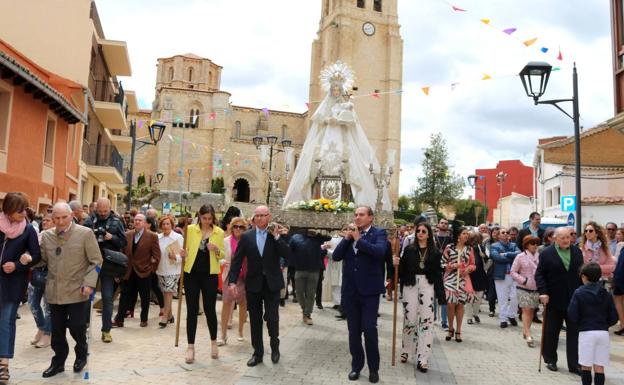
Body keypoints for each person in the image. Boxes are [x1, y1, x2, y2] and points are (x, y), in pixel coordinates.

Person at [282, 61, 390, 211]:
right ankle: (316, 197)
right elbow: (318, 120)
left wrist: (341, 119)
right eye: (334, 88)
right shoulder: (325, 106)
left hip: (342, 137)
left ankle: (350, 200)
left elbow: (353, 122)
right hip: (327, 136)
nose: (336, 91)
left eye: (339, 89)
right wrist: (328, 120)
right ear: (331, 89)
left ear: (342, 90)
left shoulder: (346, 105)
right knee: (319, 161)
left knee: (349, 165)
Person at [39, 202, 102, 378]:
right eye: (56, 218)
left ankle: (81, 353)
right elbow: (43, 260)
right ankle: (58, 362)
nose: (60, 222)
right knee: (57, 331)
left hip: (78, 290)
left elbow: (96, 260)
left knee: (76, 327)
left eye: (64, 217)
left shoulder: (85, 233)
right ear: (52, 219)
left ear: (71, 216)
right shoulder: (47, 236)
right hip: (55, 291)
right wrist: (28, 257)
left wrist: (89, 283)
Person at [228, 205, 290, 367]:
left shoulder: (276, 235)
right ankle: (258, 353)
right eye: (257, 216)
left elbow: (287, 254)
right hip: (253, 284)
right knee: (255, 320)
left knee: (272, 317)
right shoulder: (247, 237)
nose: (260, 218)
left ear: (269, 217)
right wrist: (233, 281)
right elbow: (237, 260)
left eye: (263, 215)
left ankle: (275, 347)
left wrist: (277, 237)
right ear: (254, 218)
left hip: (272, 284)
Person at [331, 206, 387, 383]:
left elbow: (379, 252)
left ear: (370, 218)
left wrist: (358, 239)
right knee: (353, 331)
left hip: (370, 292)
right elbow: (337, 256)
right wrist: (348, 239)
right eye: (355, 215)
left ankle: (374, 369)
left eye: (361, 215)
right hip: (350, 291)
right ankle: (356, 366)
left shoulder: (379, 233)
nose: (357, 218)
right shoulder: (350, 235)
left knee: (369, 329)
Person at [0, 192, 41, 382]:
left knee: (6, 322)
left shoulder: (28, 230)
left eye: (25, 209)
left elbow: (36, 255)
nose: (24, 214)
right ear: (8, 211)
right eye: (19, 210)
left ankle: (4, 365)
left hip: (13, 283)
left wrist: (18, 264)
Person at [394, 222, 444, 373]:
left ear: (429, 234)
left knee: (426, 321)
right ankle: (406, 350)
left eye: (424, 231)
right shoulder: (409, 250)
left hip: (427, 285)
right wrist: (395, 264)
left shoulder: (435, 252)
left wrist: (441, 296)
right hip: (410, 285)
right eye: (418, 231)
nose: (420, 233)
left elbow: (437, 274)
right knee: (409, 319)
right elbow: (401, 270)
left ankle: (423, 358)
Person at [536, 226, 583, 374]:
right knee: (551, 331)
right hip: (553, 298)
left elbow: (581, 273)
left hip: (574, 298)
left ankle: (574, 364)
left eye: (568, 237)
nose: (566, 240)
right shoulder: (546, 253)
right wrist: (543, 292)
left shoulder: (577, 252)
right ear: (554, 238)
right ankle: (550, 359)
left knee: (574, 332)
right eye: (562, 238)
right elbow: (540, 275)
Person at [183, 204, 225, 363]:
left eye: (209, 218)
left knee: (209, 309)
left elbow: (222, 255)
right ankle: (190, 347)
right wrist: (182, 254)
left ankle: (214, 342)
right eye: (204, 218)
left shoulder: (218, 232)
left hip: (210, 275)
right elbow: (186, 250)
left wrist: (215, 249)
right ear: (199, 216)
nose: (207, 221)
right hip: (191, 274)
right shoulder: (191, 229)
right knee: (192, 310)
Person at [83, 198, 127, 343]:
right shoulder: (89, 221)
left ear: (110, 208)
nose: (102, 214)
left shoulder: (117, 221)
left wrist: (111, 237)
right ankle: (84, 327)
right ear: (96, 208)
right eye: (99, 211)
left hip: (108, 265)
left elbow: (123, 242)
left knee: (108, 299)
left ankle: (106, 330)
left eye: (105, 211)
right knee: (86, 297)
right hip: (91, 264)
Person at [567, 262, 618, 385]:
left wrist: (580, 324)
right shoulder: (606, 293)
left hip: (586, 332)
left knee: (586, 366)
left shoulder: (579, 292)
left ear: (584, 276)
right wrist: (605, 325)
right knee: (600, 367)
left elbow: (572, 314)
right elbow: (614, 317)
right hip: (603, 332)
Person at [113, 214, 160, 328]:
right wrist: (120, 270)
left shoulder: (152, 236)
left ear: (144, 223)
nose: (137, 222)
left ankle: (144, 319)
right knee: (124, 295)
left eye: (140, 220)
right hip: (128, 271)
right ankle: (119, 320)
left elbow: (157, 256)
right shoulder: (127, 235)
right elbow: (122, 253)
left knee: (144, 297)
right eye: (136, 220)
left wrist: (151, 270)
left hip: (144, 272)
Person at [442, 227, 475, 343]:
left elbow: (473, 264)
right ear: (458, 236)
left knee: (460, 305)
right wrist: (452, 266)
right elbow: (442, 263)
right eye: (464, 233)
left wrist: (468, 269)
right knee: (450, 304)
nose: (466, 236)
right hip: (450, 279)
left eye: (467, 234)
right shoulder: (449, 248)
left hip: (463, 280)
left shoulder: (470, 249)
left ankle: (458, 330)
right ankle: (450, 328)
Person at [289, 229, 329, 325]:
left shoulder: (318, 238)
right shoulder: (296, 237)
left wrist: (317, 233)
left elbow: (328, 237)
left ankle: (307, 314)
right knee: (298, 292)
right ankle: (305, 309)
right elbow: (289, 250)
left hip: (314, 270)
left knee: (311, 294)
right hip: (299, 269)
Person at [218, 217, 248, 345]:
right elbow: (218, 257)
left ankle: (241, 331)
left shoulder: (247, 241)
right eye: (235, 226)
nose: (238, 229)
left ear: (245, 229)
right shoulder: (225, 241)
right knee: (226, 304)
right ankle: (223, 335)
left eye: (241, 227)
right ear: (231, 228)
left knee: (243, 305)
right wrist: (223, 261)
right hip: (230, 276)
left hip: (244, 277)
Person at [28, 212, 54, 349]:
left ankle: (47, 334)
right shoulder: (39, 235)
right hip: (36, 273)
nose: (45, 222)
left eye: (48, 220)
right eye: (44, 220)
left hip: (50, 274)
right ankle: (41, 327)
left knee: (48, 306)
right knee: (32, 303)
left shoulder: (55, 237)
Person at [510, 235, 541, 347]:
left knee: (532, 311)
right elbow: (513, 272)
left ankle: (525, 330)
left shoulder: (540, 256)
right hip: (523, 287)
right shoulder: (520, 256)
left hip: (536, 288)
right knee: (526, 309)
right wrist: (524, 281)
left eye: (537, 243)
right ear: (527, 245)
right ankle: (528, 334)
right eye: (533, 243)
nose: (535, 246)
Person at [156, 215, 184, 328]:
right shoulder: (158, 238)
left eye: (168, 224)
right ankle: (170, 315)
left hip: (173, 270)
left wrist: (175, 257)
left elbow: (183, 255)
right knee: (165, 292)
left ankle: (164, 317)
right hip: (161, 269)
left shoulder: (178, 237)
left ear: (172, 225)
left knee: (168, 292)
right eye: (163, 224)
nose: (165, 226)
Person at [490, 227, 521, 328]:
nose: (506, 234)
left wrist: (506, 254)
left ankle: (511, 315)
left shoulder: (513, 245)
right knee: (502, 298)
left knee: (515, 297)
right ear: (498, 235)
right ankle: (503, 319)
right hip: (501, 275)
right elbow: (497, 258)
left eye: (507, 232)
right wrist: (511, 259)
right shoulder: (494, 246)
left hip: (514, 275)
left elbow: (519, 255)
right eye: (503, 232)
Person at [580, 222, 616, 286]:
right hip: (588, 283)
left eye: (590, 231)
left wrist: (594, 268)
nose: (587, 232)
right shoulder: (582, 249)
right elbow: (582, 268)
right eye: (586, 231)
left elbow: (611, 267)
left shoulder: (605, 248)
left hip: (603, 282)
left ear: (597, 233)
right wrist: (600, 268)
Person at [466, 232, 488, 325]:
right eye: (473, 239)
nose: (475, 241)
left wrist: (485, 256)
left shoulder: (482, 248)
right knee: (469, 297)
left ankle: (475, 314)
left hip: (480, 274)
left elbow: (488, 259)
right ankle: (469, 317)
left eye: (477, 239)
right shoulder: (466, 249)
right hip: (470, 275)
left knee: (479, 297)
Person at [484, 226, 500, 317]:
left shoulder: (504, 242)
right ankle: (491, 309)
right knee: (491, 290)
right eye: (494, 233)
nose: (496, 235)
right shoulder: (487, 242)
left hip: (502, 269)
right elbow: (489, 255)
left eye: (498, 233)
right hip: (491, 268)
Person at [614, 246, 624, 335]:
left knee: (618, 298)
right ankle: (622, 325)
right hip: (620, 279)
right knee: (618, 298)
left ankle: (622, 325)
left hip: (620, 279)